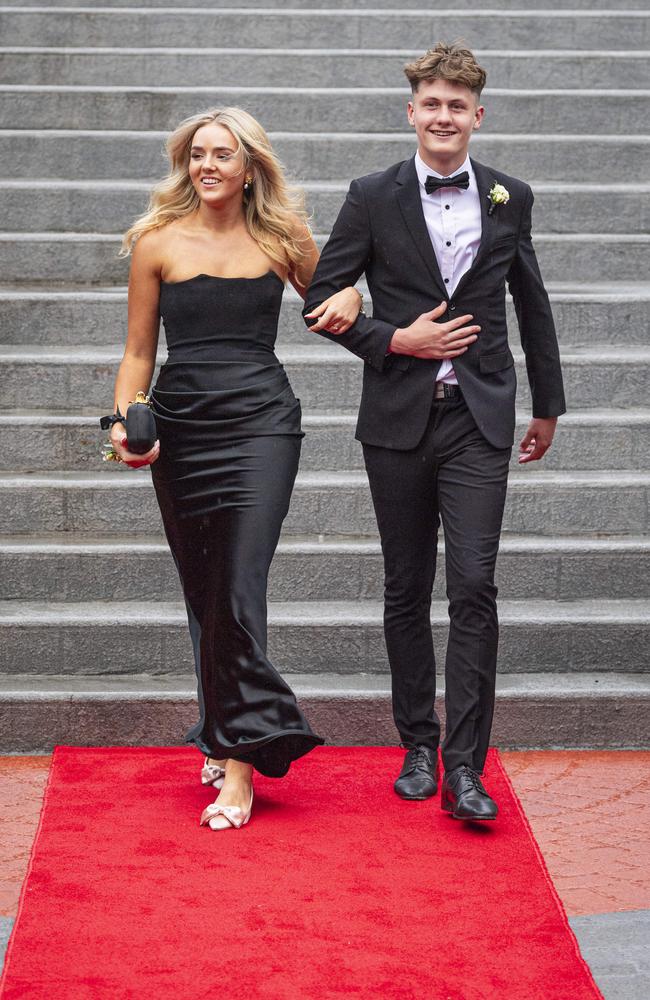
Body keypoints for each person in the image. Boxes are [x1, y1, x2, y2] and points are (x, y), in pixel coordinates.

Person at [304, 44, 565, 821]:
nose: (444, 116)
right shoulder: (370, 195)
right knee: (405, 586)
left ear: (476, 116)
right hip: (399, 419)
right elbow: (321, 297)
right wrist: (392, 339)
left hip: (480, 417)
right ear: (411, 112)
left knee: (475, 585)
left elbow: (533, 302)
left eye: (458, 105)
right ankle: (417, 742)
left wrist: (547, 404)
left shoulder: (509, 196)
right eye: (432, 103)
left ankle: (465, 768)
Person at [105, 107, 363, 830]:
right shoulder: (156, 243)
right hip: (182, 432)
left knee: (239, 586)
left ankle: (241, 770)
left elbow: (338, 307)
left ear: (251, 166)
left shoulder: (283, 238)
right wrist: (128, 421)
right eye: (197, 154)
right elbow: (136, 355)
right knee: (205, 591)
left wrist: (356, 300)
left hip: (261, 427)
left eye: (223, 154)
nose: (208, 165)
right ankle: (223, 731)